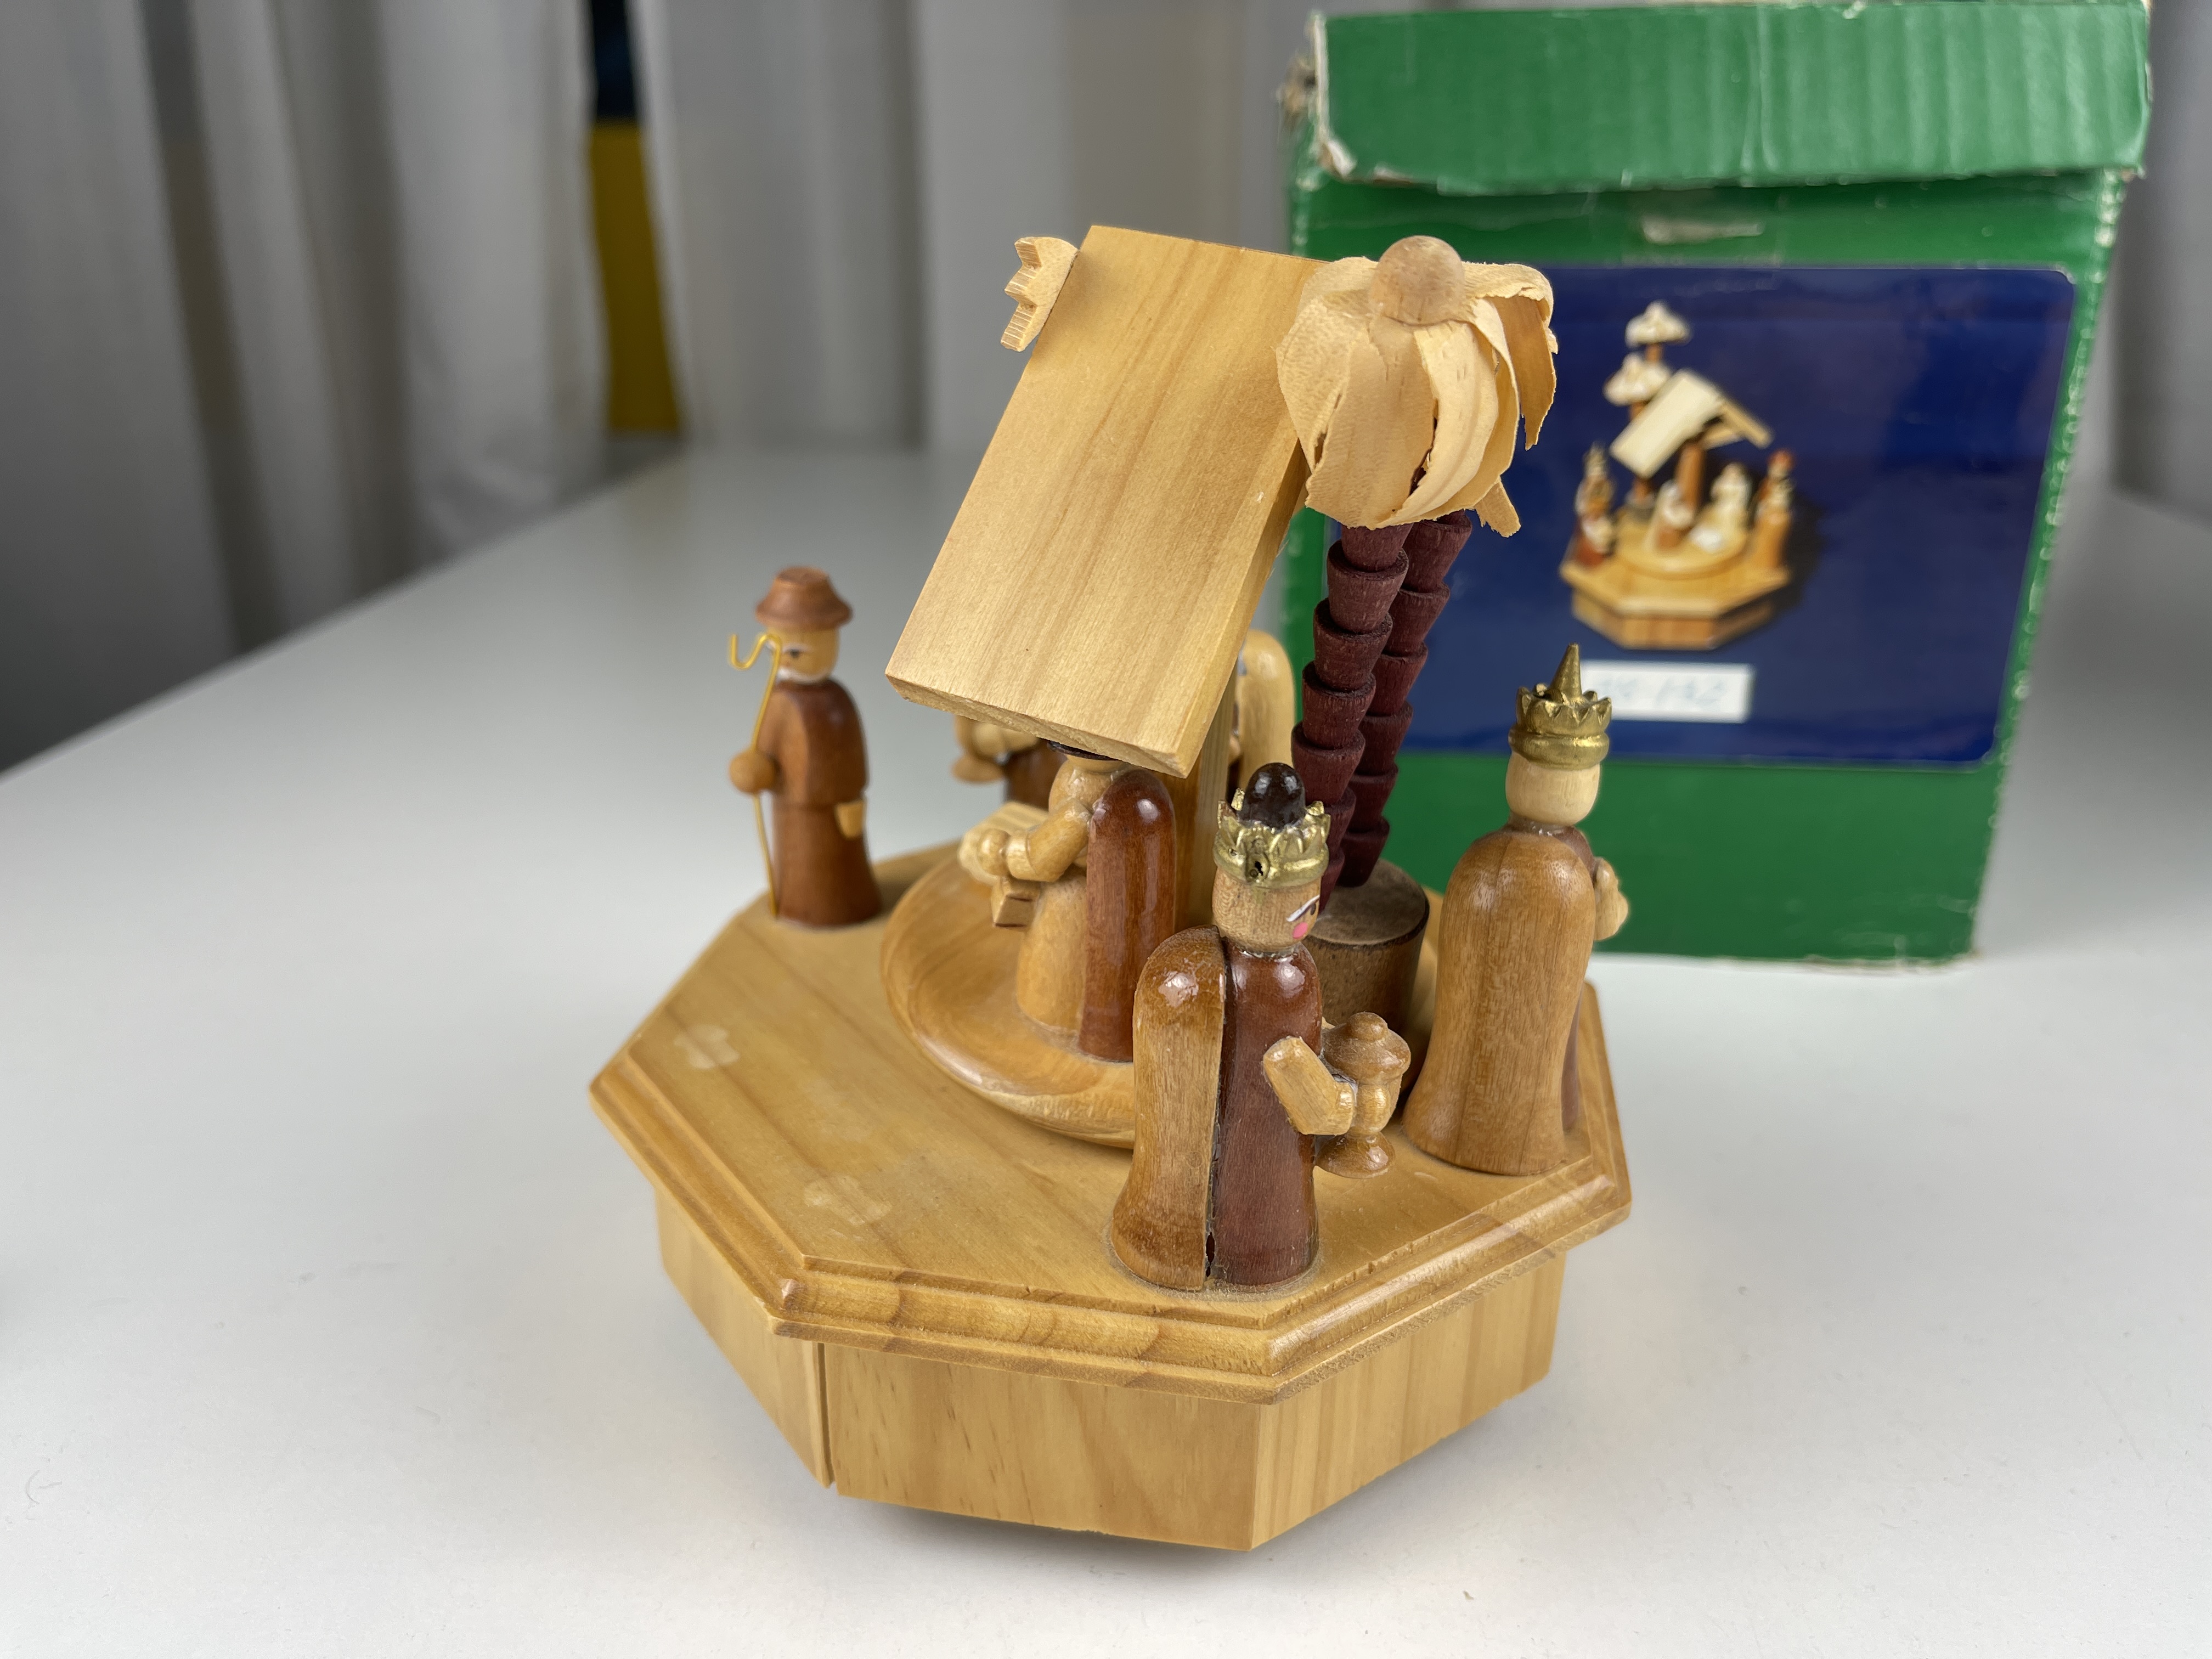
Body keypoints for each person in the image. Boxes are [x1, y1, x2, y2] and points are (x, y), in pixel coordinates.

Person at [1110, 764, 1409, 1289]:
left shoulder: (1265, 969)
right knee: (1263, 1227)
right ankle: (1244, 1263)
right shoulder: (1285, 981)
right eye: (1305, 904)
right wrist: (1357, 1106)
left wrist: (1333, 1045)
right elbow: (1303, 1089)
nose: (1305, 916)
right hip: (1257, 1203)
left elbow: (1300, 1046)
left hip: (1244, 1170)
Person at [727, 568, 881, 928]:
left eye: (795, 652)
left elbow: (850, 758)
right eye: (774, 651)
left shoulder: (836, 703)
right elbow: (766, 756)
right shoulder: (777, 698)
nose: (782, 662)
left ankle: (839, 910)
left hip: (834, 811)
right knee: (797, 867)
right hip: (790, 810)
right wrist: (756, 770)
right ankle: (797, 909)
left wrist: (854, 798)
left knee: (838, 871)